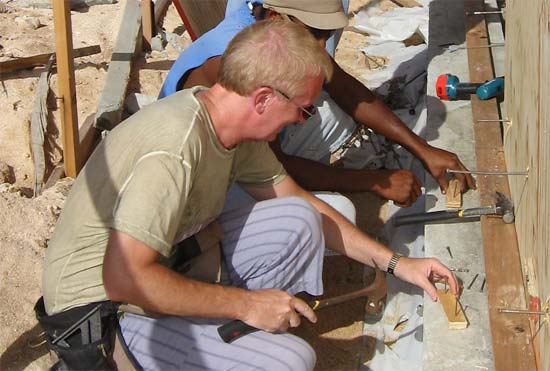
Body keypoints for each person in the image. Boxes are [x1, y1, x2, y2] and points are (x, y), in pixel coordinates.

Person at [40, 21, 458, 371]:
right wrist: (244, 305)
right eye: (304, 110)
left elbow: (304, 204)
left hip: (159, 265)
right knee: (291, 361)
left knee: (300, 219)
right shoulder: (176, 148)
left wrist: (399, 264)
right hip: (100, 313)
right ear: (262, 98)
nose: (302, 119)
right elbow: (123, 278)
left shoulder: (229, 127)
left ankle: (225, 339)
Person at [160, 0, 476, 209]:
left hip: (247, 143)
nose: (322, 45)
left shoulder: (272, 24)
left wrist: (423, 150)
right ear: (274, 16)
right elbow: (272, 166)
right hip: (198, 180)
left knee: (332, 113)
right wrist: (374, 182)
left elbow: (346, 89)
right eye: (315, 34)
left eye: (327, 35)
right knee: (329, 216)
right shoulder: (233, 60)